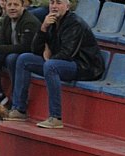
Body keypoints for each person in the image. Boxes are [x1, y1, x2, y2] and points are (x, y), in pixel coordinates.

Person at [7, 0, 104, 129]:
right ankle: (19, 109)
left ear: (67, 6)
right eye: (52, 2)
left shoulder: (75, 23)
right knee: (24, 59)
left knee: (50, 66)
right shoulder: (51, 22)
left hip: (84, 66)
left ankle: (55, 117)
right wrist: (43, 29)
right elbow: (35, 50)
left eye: (58, 3)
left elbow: (67, 54)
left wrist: (49, 59)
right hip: (60, 62)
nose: (54, 6)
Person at [0, 0, 40, 103]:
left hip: (30, 54)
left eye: (16, 5)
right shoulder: (7, 19)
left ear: (23, 6)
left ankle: (16, 99)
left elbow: (25, 47)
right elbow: (3, 42)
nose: (12, 8)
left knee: (12, 58)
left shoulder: (29, 22)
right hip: (12, 51)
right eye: (9, 5)